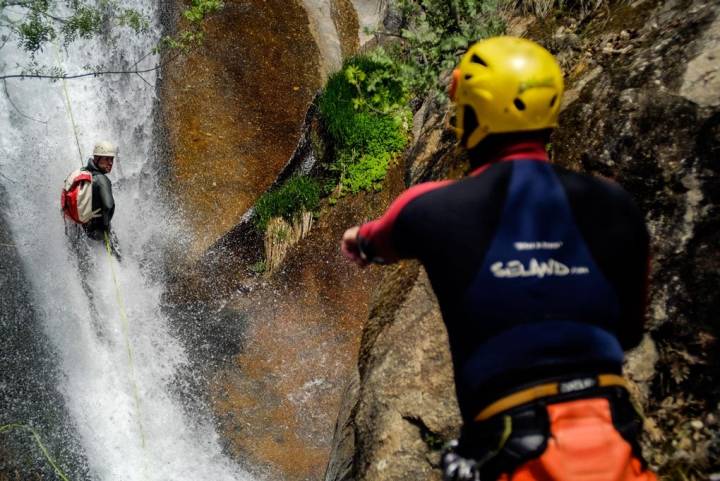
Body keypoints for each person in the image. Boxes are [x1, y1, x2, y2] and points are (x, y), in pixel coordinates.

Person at [341, 37, 655, 481]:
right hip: (613, 433)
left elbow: (375, 241)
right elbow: (628, 332)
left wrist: (358, 241)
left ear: (469, 114)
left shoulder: (431, 209)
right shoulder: (614, 205)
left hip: (513, 447)